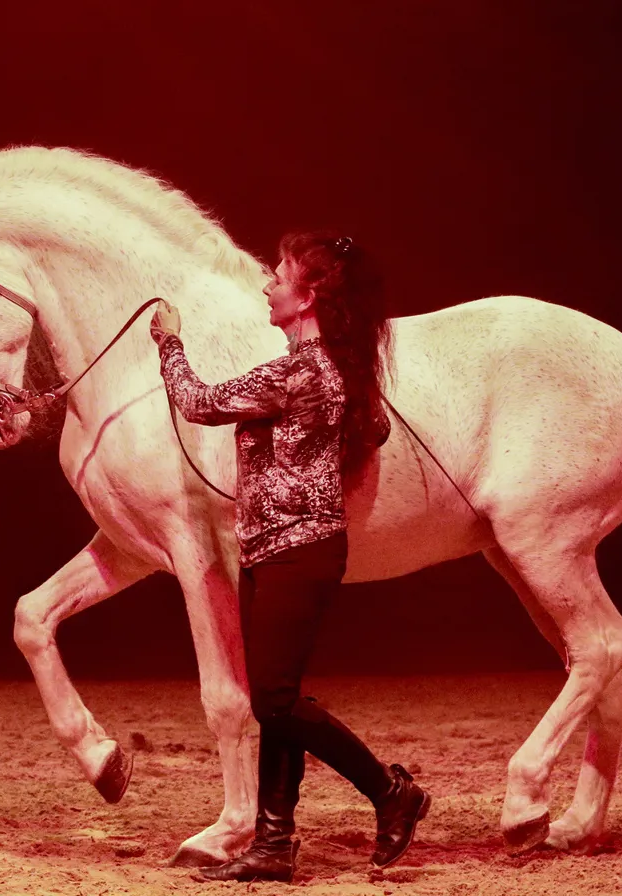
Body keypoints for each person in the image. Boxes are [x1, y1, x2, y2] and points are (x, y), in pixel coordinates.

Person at [150, 232, 429, 882]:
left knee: (273, 701)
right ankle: (274, 844)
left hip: (294, 553)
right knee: (278, 697)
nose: (267, 284)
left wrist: (169, 342)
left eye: (279, 275)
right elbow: (375, 429)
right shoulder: (330, 371)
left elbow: (198, 403)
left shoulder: (297, 371)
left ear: (307, 299)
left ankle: (391, 793)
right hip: (278, 550)